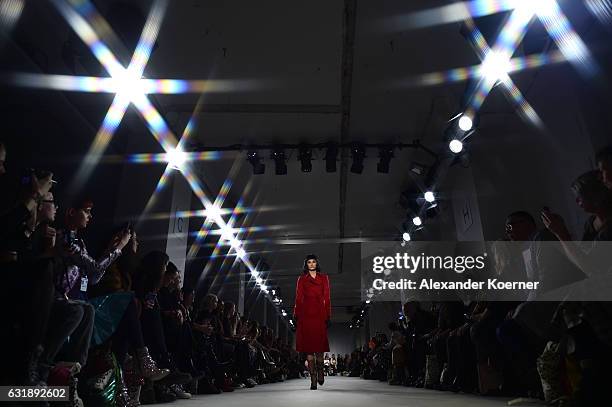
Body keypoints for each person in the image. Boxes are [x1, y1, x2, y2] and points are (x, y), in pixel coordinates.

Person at [293, 254, 331, 390]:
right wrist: (296, 314)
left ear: (317, 263)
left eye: (314, 261)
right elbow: (298, 297)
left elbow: (327, 297)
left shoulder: (324, 278)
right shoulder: (301, 279)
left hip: (320, 313)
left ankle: (321, 372)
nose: (311, 264)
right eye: (309, 262)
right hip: (306, 314)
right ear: (306, 264)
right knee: (309, 349)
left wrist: (328, 315)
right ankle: (313, 379)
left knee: (319, 349)